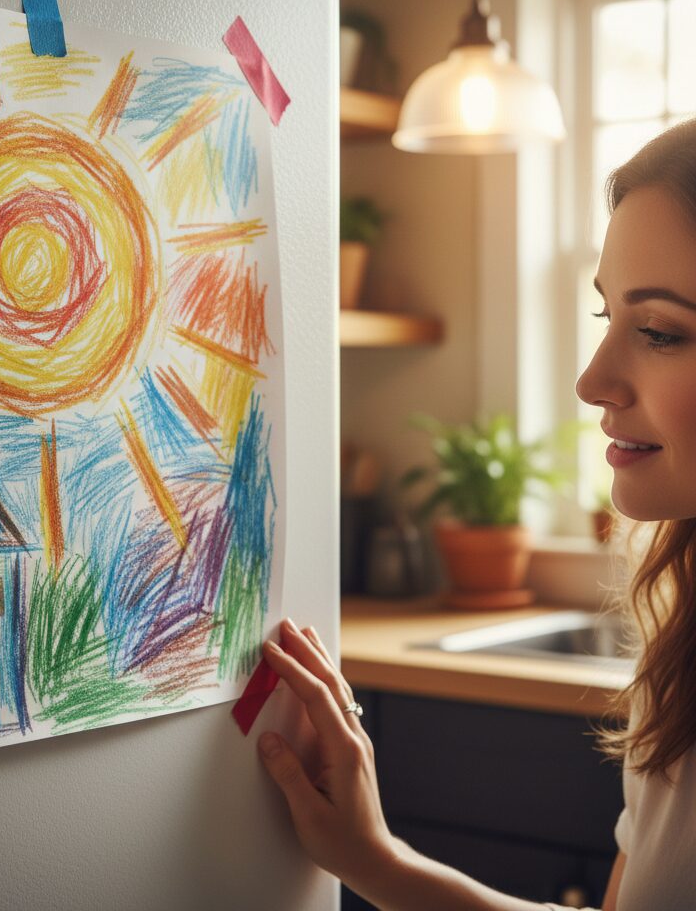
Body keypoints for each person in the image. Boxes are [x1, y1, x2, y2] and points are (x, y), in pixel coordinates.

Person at [257, 118, 696, 911]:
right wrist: (377, 860)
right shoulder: (682, 655)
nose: (592, 381)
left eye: (660, 332)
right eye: (607, 318)